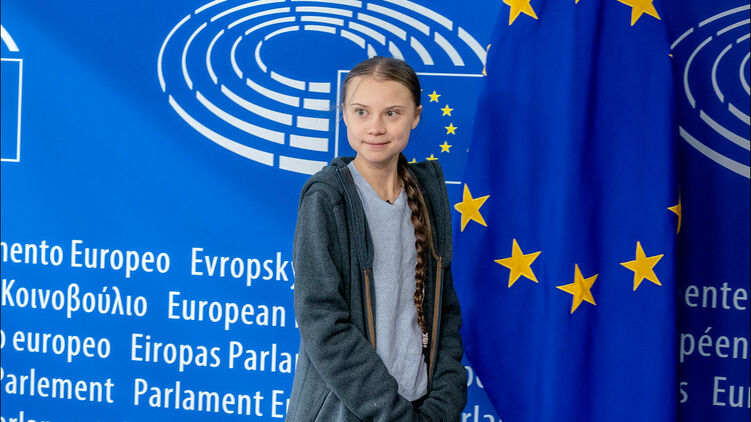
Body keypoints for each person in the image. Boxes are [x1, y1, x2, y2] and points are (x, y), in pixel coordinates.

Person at [286, 56, 466, 421]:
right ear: (344, 115)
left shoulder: (427, 195)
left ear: (415, 116)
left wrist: (443, 404)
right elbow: (323, 323)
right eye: (361, 112)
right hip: (352, 411)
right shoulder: (326, 199)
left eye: (392, 113)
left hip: (420, 410)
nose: (376, 127)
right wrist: (392, 413)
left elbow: (444, 313)